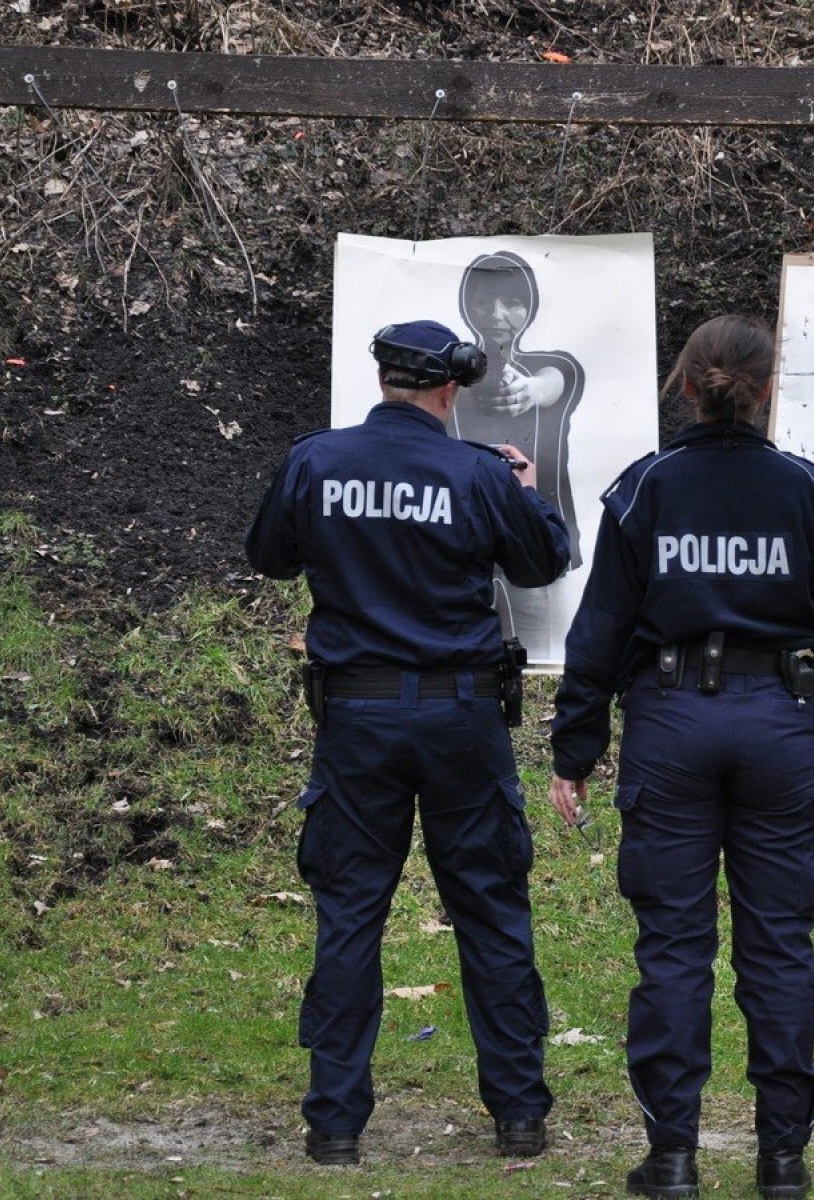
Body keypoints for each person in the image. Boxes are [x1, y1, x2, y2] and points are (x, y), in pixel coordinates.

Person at [547, 315, 814, 1200]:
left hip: (670, 725)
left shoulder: (644, 490)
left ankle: (672, 1158)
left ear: (685, 383)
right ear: (768, 387)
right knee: (780, 946)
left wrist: (575, 753)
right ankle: (782, 1160)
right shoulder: (810, 492)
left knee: (672, 946)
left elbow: (598, 636)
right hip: (780, 726)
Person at [245, 319, 570, 1167]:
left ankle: (336, 1126)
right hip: (460, 717)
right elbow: (543, 562)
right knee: (491, 912)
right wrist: (526, 490)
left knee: (351, 914)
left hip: (356, 719)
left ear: (386, 378)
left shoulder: (317, 460)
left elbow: (270, 557)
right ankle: (518, 1117)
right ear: (450, 387)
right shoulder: (477, 473)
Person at [451, 250, 586, 661]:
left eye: (511, 302)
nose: (496, 314)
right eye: (483, 302)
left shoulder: (553, 363)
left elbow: (554, 380)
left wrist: (529, 391)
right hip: (464, 550)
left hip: (538, 541)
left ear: (530, 307)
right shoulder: (451, 370)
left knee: (549, 656)